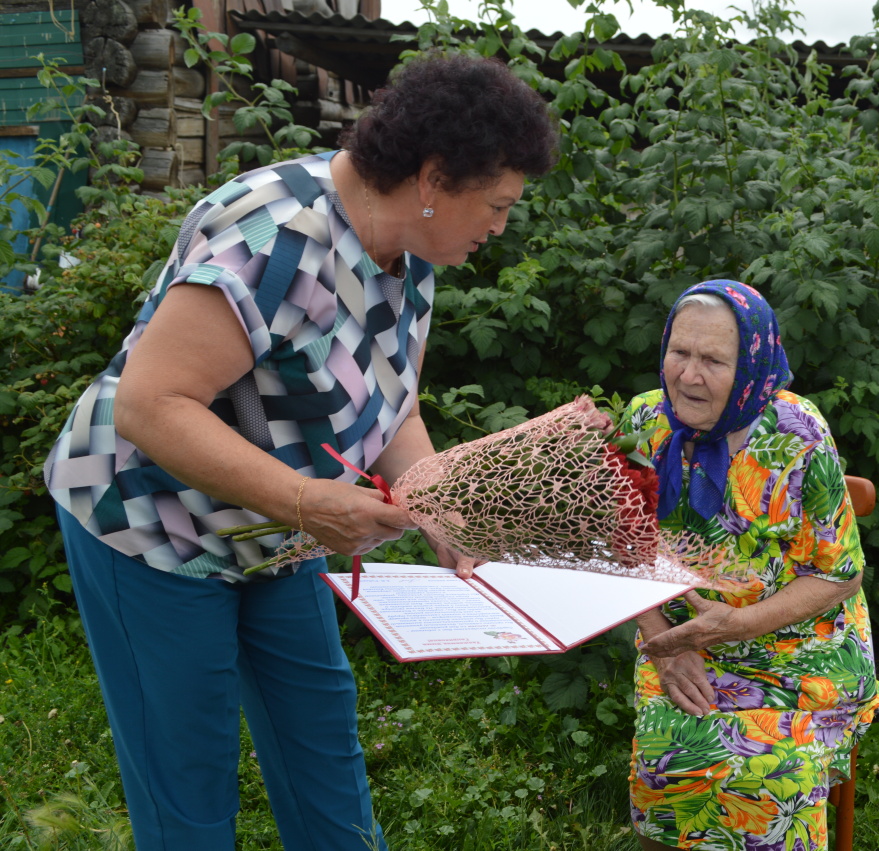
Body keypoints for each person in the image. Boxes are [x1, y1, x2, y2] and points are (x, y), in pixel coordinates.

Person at [42, 54, 558, 851]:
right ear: (433, 178)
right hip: (148, 524)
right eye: (495, 205)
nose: (500, 226)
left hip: (276, 539)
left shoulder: (413, 251)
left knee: (326, 762)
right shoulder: (269, 235)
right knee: (190, 789)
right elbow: (151, 404)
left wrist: (436, 502)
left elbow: (393, 403)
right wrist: (307, 502)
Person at [622, 280, 879, 851]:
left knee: (768, 774)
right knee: (668, 749)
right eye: (680, 352)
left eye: (714, 360)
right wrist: (661, 640)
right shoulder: (646, 422)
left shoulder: (796, 435)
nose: (688, 375)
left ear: (752, 365)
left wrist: (738, 625)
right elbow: (627, 544)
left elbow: (841, 572)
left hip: (799, 644)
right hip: (680, 636)